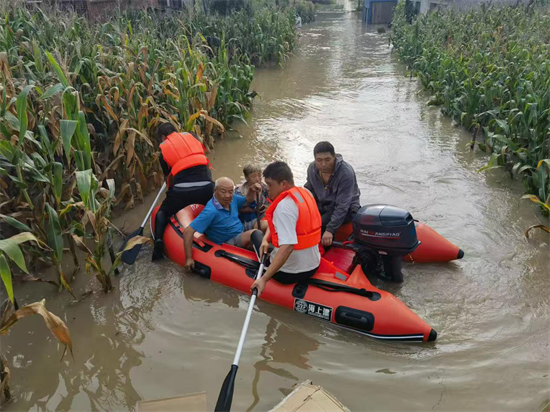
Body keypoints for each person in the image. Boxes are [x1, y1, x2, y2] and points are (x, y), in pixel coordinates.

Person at [250, 161, 322, 296]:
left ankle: (263, 264)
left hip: (288, 273)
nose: (268, 189)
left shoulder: (283, 207)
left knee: (255, 235)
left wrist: (264, 279)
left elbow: (287, 247)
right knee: (264, 238)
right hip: (314, 265)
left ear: (283, 184)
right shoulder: (306, 193)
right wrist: (266, 239)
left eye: (270, 185)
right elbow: (287, 224)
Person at [152, 123, 214, 261]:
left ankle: (158, 240)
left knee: (162, 211)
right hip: (207, 188)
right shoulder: (193, 138)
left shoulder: (164, 152)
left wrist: (171, 196)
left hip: (182, 191)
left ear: (163, 137)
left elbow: (169, 179)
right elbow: (206, 168)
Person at [183, 177, 267, 271]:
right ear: (215, 190)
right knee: (254, 233)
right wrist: (188, 258)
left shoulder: (233, 199)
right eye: (223, 191)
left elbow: (247, 200)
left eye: (230, 192)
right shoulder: (210, 211)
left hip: (240, 228)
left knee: (265, 224)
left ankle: (279, 247)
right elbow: (188, 231)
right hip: (229, 240)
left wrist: (251, 190)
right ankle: (267, 261)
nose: (228, 195)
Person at [304, 141, 361, 247]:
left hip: (347, 209)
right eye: (319, 160)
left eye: (327, 160)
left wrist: (330, 230)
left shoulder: (345, 173)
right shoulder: (312, 169)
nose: (323, 164)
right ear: (315, 159)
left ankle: (322, 253)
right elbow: (308, 191)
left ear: (334, 157)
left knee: (319, 224)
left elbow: (342, 206)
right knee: (304, 222)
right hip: (323, 205)